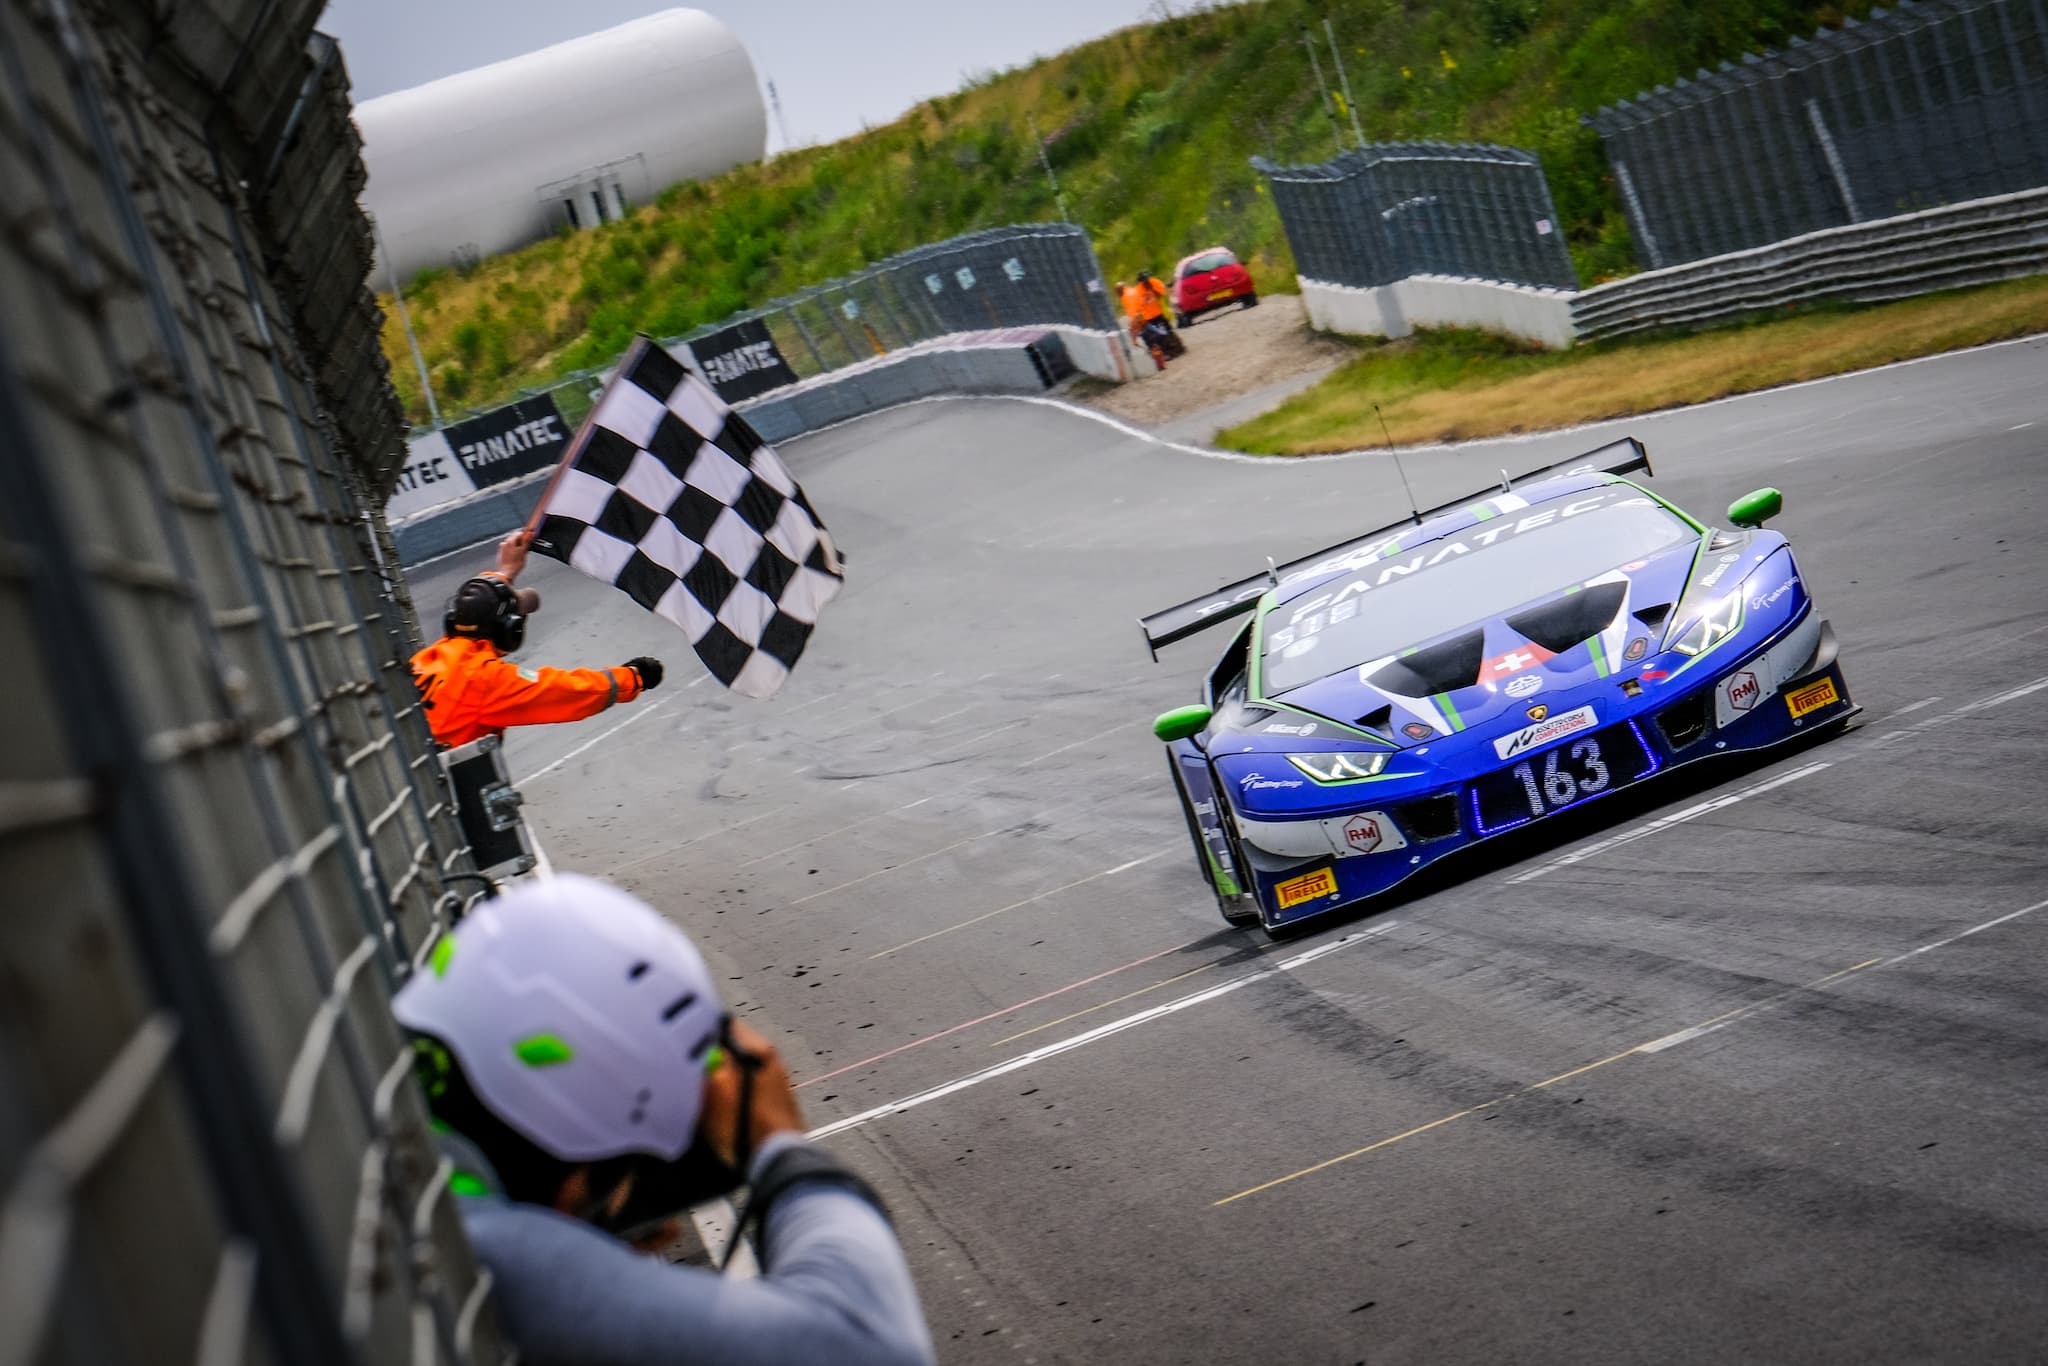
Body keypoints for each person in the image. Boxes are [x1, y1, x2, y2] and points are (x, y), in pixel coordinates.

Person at [393, 874, 935, 1366]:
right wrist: (783, 1148)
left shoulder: (405, 1157)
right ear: (584, 1166)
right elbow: (870, 1349)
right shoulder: (486, 1249)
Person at [412, 530, 665, 747]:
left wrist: (507, 571)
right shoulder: (483, 680)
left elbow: (478, 604)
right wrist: (633, 676)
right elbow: (568, 692)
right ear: (509, 629)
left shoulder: (429, 659)